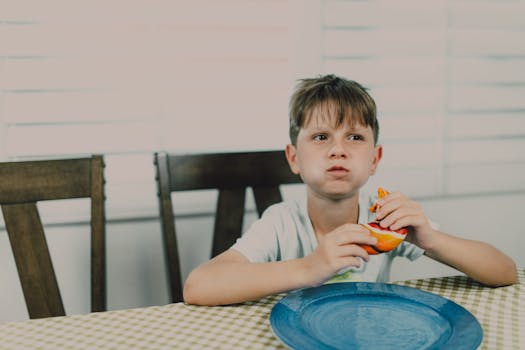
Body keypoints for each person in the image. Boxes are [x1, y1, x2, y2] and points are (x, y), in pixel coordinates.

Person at [183, 74, 517, 305]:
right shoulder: (281, 223)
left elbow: (505, 272)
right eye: (320, 136)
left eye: (354, 137)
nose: (338, 150)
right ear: (294, 158)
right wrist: (309, 267)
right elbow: (198, 287)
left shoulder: (384, 218)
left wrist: (430, 238)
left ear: (375, 159)